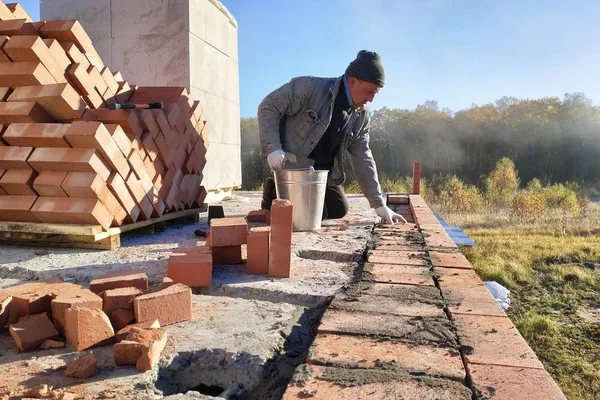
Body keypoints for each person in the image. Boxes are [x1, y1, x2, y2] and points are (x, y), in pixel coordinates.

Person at [257, 50, 406, 224]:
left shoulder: (360, 117)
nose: (371, 99)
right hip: (291, 167)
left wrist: (379, 205)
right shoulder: (310, 88)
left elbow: (363, 158)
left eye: (375, 93)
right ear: (353, 81)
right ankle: (275, 189)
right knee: (311, 216)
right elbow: (268, 106)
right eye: (369, 91)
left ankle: (287, 194)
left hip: (321, 173)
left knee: (338, 209)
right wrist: (273, 148)